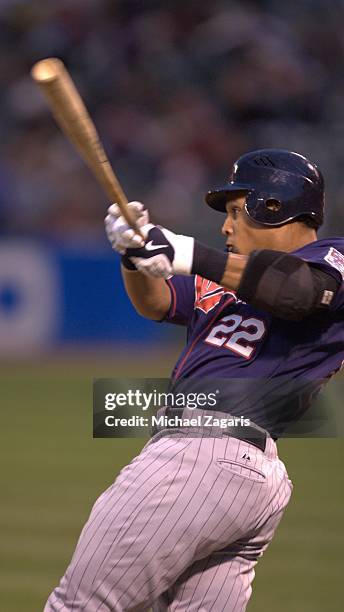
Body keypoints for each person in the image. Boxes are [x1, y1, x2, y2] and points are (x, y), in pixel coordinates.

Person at [45, 149, 344, 611]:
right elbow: (158, 301)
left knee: (80, 605)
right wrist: (134, 256)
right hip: (239, 475)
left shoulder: (329, 259)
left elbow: (299, 291)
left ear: (274, 206)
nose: (225, 227)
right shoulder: (228, 277)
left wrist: (184, 251)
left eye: (234, 212)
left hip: (203, 453)